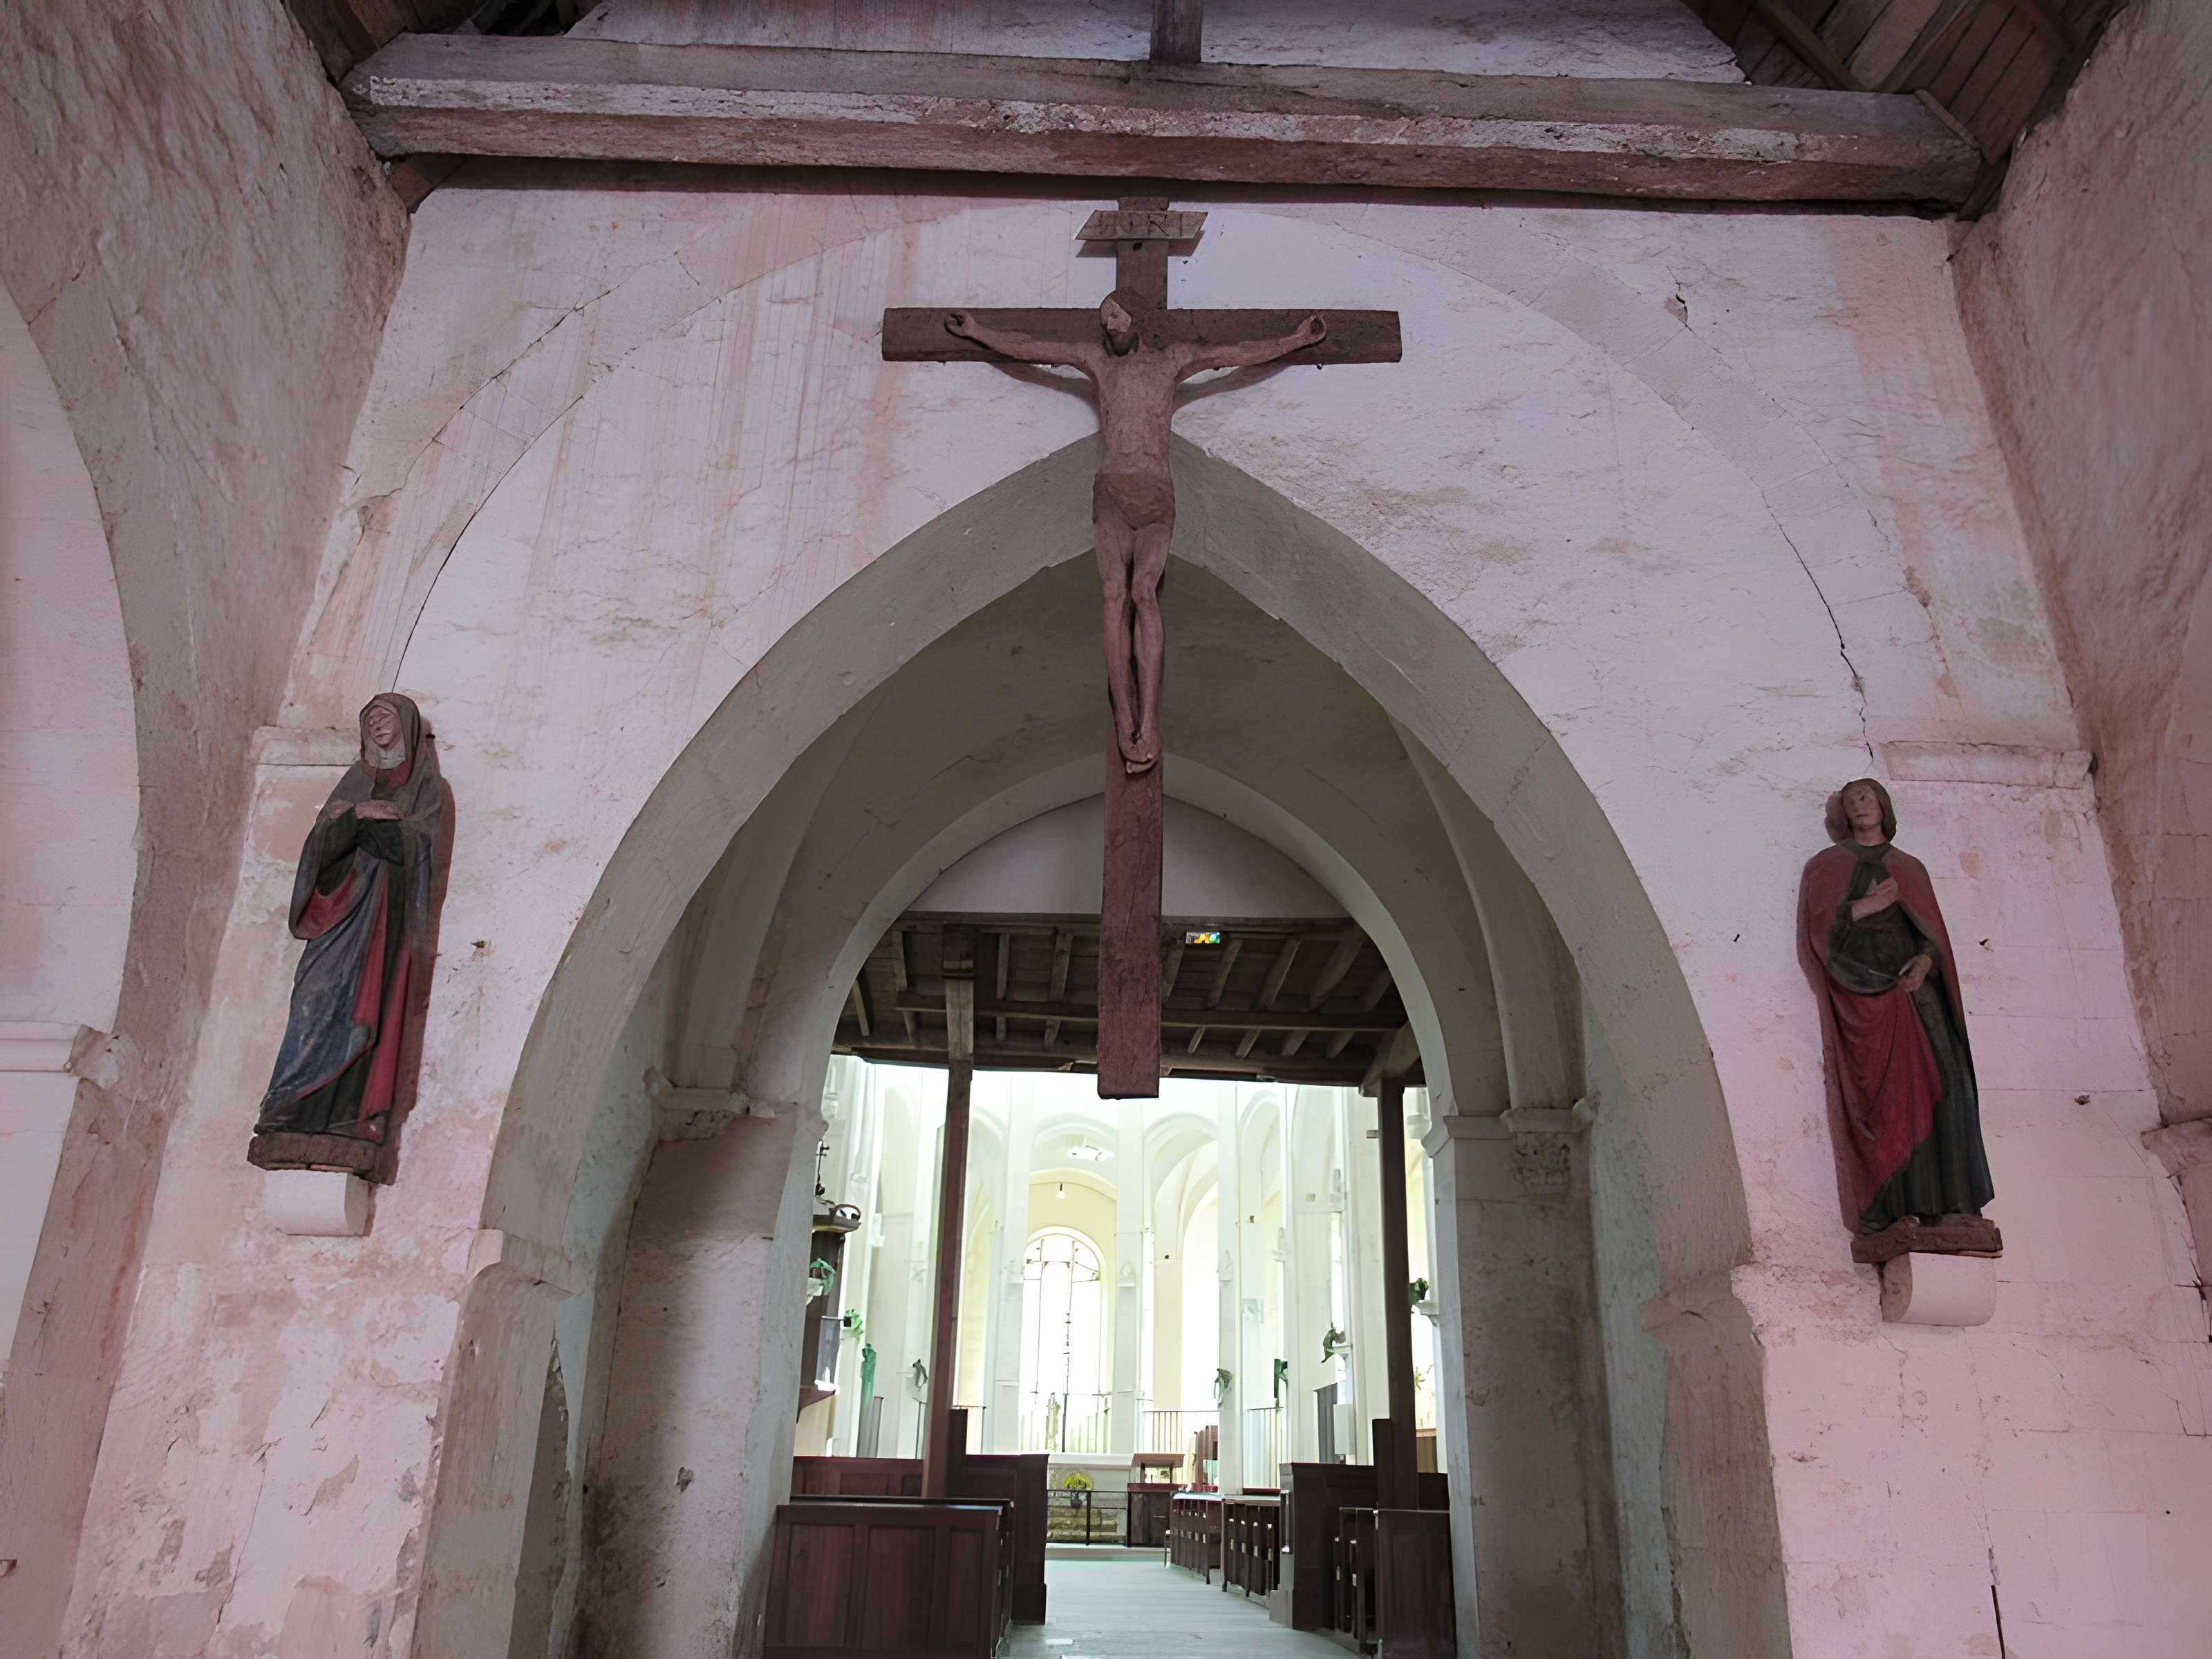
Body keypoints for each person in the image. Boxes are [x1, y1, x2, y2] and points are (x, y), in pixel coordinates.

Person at [946, 294, 1325, 774]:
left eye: (1116, 317)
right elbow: (1033, 347)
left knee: (1143, 592)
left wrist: (1293, 340)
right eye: (1105, 322)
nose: (1110, 328)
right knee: (1111, 593)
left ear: (1134, 320)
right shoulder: (1098, 363)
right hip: (1111, 491)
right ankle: (1124, 715)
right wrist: (979, 331)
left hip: (1155, 497)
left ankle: (1150, 719)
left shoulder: (1170, 362)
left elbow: (1232, 354)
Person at [251, 692, 442, 1170]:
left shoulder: (426, 786)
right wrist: (359, 816)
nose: (379, 724)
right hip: (337, 913)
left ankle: (348, 1117)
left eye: (387, 717)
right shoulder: (356, 780)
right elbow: (321, 845)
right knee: (313, 999)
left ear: (408, 725)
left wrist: (376, 825)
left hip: (381, 921)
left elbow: (418, 847)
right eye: (371, 718)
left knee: (366, 1010)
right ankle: (287, 1103)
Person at [1801, 778, 1994, 1235]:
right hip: (1866, 994)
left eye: (1867, 797)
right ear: (1843, 816)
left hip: (1915, 992)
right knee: (1885, 1099)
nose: (1861, 805)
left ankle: (1956, 1203)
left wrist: (1924, 962)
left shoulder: (1910, 868)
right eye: (1852, 801)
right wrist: (1864, 907)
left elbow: (1933, 937)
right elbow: (1821, 931)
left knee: (1946, 1082)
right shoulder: (1827, 866)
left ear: (1883, 806)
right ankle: (1893, 1209)